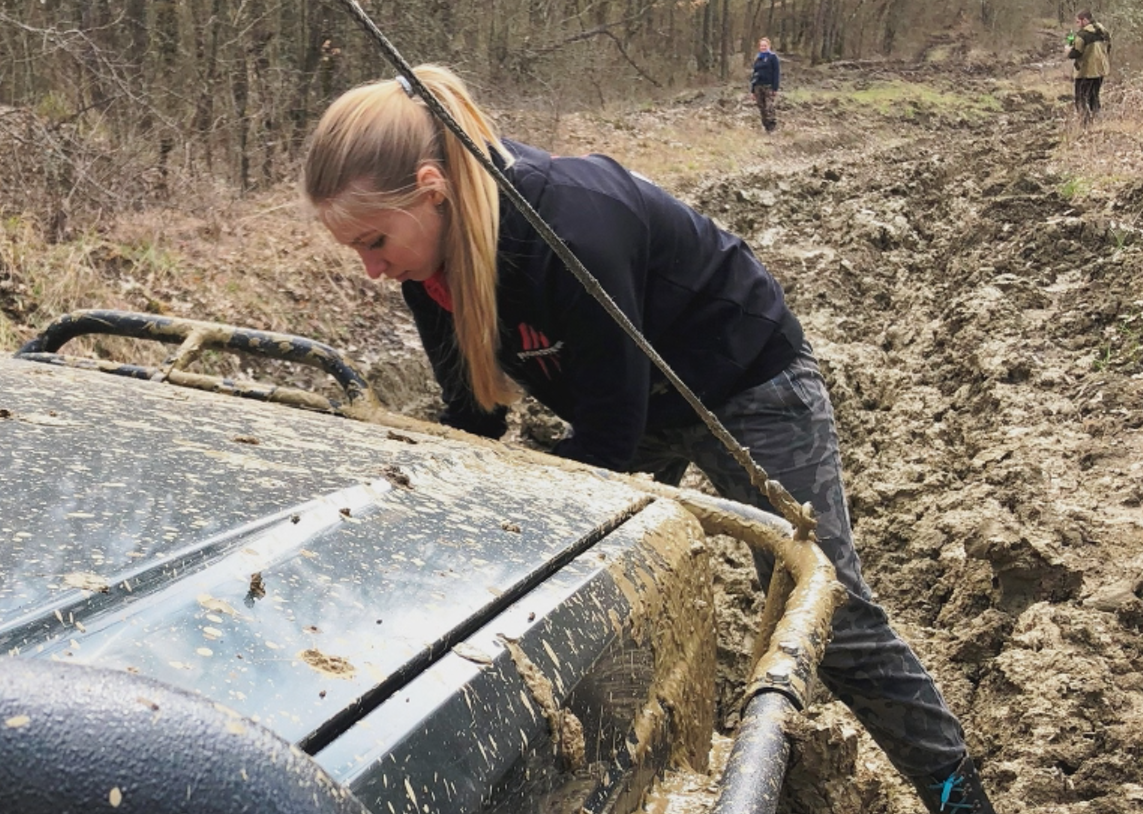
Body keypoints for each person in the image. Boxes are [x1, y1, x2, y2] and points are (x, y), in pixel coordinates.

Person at [301, 64, 997, 813]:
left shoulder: (570, 230)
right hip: (631, 399)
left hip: (743, 380)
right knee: (548, 565)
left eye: (374, 241)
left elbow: (607, 437)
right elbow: (476, 416)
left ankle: (957, 794)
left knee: (831, 612)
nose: (372, 270)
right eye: (356, 253)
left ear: (433, 189)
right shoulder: (427, 267)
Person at [1066, 9, 1111, 125]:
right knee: (1094, 97)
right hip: (1101, 70)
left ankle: (1084, 125)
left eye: (1078, 22)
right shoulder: (1103, 31)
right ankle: (1098, 122)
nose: (1077, 25)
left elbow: (1076, 53)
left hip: (1086, 72)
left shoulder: (1082, 35)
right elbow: (1108, 48)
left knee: (1080, 99)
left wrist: (1068, 51)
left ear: (1085, 20)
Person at [750, 38, 781, 133]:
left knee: (769, 106)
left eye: (765, 45)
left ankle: (772, 126)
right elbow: (754, 74)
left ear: (769, 46)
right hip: (758, 86)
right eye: (761, 46)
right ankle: (766, 126)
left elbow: (776, 73)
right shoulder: (757, 58)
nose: (763, 47)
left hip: (769, 86)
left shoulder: (773, 57)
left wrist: (775, 88)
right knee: (761, 107)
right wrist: (752, 90)